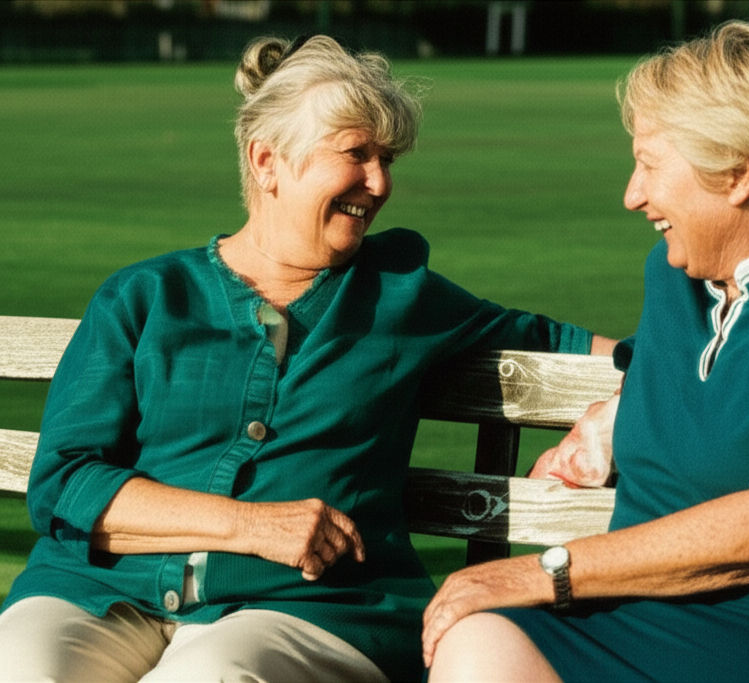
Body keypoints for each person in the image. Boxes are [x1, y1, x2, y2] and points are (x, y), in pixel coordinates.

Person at [0, 35, 613, 682]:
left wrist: (627, 399)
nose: (379, 184)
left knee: (207, 675)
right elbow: (63, 483)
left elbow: (569, 346)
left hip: (309, 608)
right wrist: (250, 525)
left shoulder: (400, 291)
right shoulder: (147, 296)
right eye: (357, 154)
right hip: (98, 593)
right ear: (268, 161)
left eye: (388, 159)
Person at [422, 21, 749, 683]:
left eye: (650, 164)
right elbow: (679, 377)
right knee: (476, 646)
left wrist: (547, 569)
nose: (633, 195)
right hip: (630, 612)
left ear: (738, 175)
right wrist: (608, 422)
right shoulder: (675, 273)